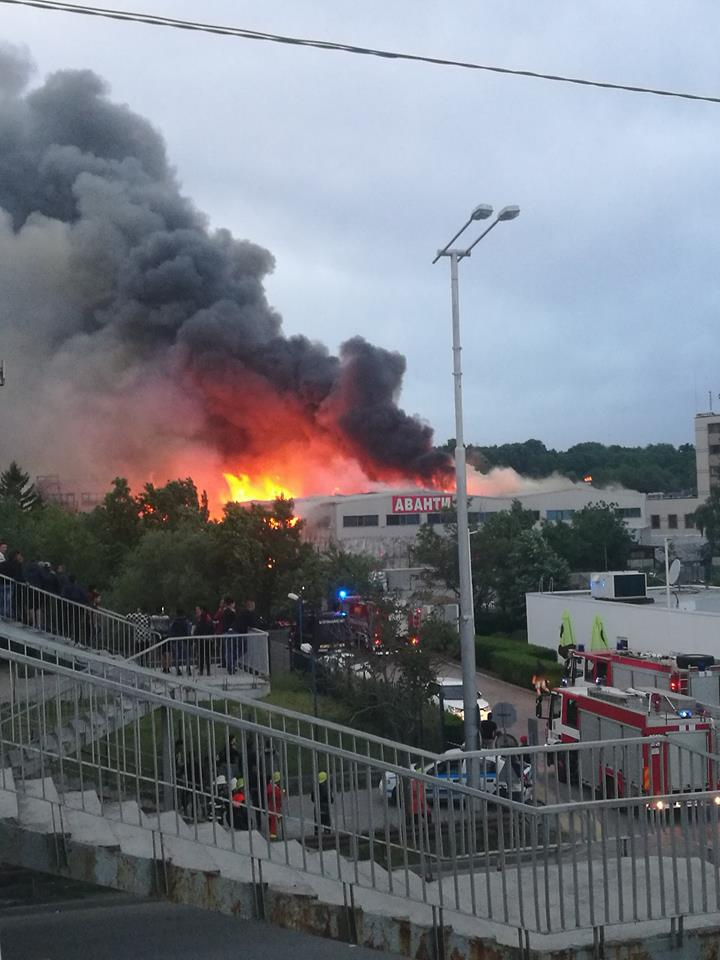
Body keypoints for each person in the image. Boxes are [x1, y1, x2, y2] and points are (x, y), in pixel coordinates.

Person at [193, 605, 215, 676]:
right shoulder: (209, 621)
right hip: (208, 641)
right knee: (208, 656)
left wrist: (195, 639)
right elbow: (212, 630)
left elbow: (196, 631)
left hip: (201, 641)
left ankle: (201, 671)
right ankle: (208, 671)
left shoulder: (200, 622)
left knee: (201, 656)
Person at [169, 608, 192, 675]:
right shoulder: (186, 621)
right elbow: (188, 631)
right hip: (185, 640)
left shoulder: (174, 622)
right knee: (187, 655)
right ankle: (188, 668)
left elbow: (171, 631)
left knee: (177, 655)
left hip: (176, 640)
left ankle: (178, 669)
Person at [314, 770, 333, 836]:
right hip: (325, 806)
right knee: (326, 821)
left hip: (317, 806)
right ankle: (327, 832)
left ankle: (316, 833)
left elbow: (312, 798)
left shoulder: (315, 788)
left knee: (317, 821)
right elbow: (330, 798)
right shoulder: (327, 788)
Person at [266, 771, 283, 840]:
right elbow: (278, 796)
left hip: (274, 806)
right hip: (274, 807)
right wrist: (282, 792)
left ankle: (273, 835)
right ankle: (273, 837)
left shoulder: (271, 787)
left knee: (274, 821)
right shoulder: (273, 789)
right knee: (273, 822)